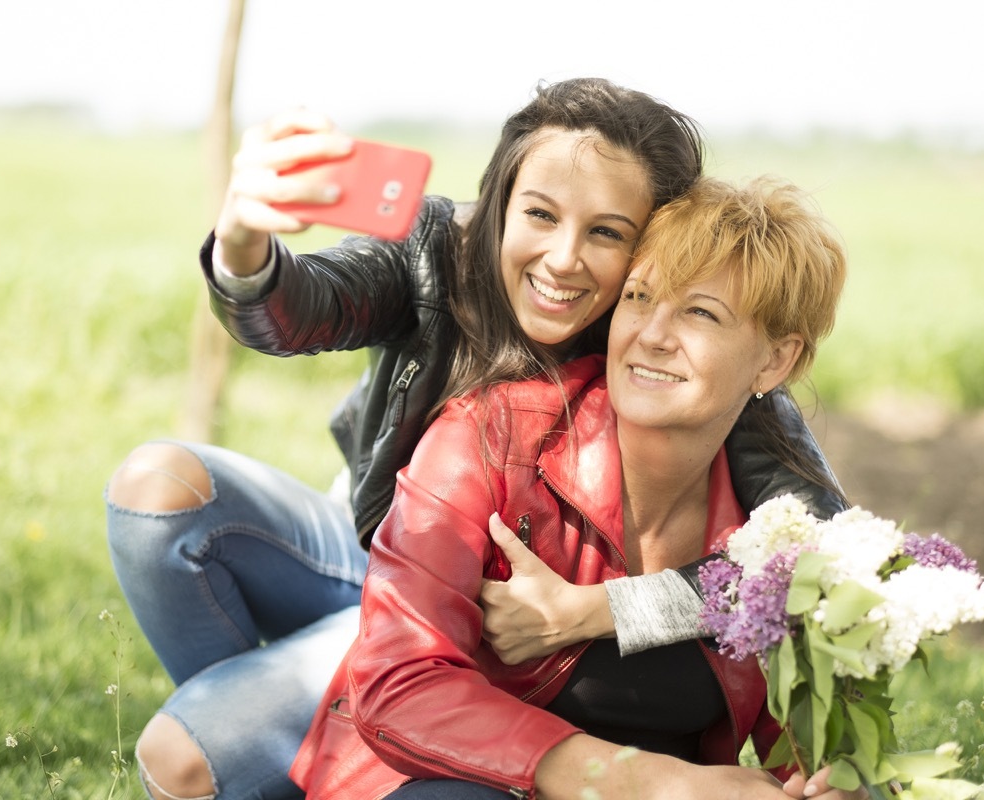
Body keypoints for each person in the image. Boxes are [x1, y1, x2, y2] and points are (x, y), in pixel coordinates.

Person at [105, 78, 846, 800]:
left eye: (606, 233)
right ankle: (315, 746)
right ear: (500, 206)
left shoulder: (689, 366)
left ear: (650, 241)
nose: (562, 259)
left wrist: (594, 610)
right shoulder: (440, 257)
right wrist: (243, 245)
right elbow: (302, 307)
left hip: (492, 601)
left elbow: (819, 558)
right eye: (540, 215)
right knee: (159, 500)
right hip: (386, 557)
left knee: (200, 757)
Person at [291, 176, 860, 800]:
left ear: (774, 362)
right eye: (640, 297)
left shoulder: (775, 534)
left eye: (700, 312)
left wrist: (831, 783)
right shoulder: (490, 437)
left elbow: (806, 747)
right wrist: (648, 782)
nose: (652, 334)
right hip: (442, 782)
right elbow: (396, 685)